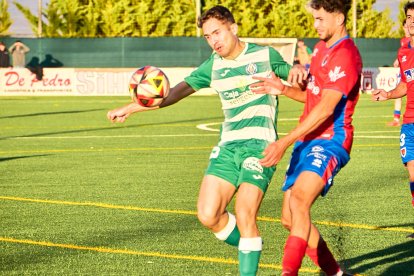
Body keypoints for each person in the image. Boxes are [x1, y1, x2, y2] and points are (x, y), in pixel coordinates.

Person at [107, 5, 306, 275]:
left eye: (217, 33)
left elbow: (301, 87)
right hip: (228, 146)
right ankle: (250, 244)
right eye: (208, 36)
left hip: (260, 146)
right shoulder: (213, 65)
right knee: (208, 215)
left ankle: (250, 248)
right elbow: (174, 94)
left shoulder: (264, 55)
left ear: (233, 28)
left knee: (245, 213)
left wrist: (293, 74)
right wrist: (130, 108)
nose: (214, 40)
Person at [250, 0, 361, 274]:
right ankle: (336, 273)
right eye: (314, 18)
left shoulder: (346, 54)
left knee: (299, 201)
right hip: (306, 141)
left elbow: (326, 108)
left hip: (330, 140)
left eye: (321, 19)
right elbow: (312, 98)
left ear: (339, 18)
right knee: (289, 218)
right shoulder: (322, 48)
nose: (315, 25)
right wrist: (284, 89)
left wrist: (283, 142)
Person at [372, 1, 414, 208]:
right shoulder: (404, 54)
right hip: (409, 123)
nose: (412, 22)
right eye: (409, 17)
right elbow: (405, 85)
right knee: (413, 177)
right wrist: (388, 94)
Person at [387, 23, 410, 127]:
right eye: (405, 26)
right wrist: (397, 60)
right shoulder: (403, 41)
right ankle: (396, 119)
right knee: (398, 96)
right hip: (403, 74)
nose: (407, 28)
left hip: (410, 73)